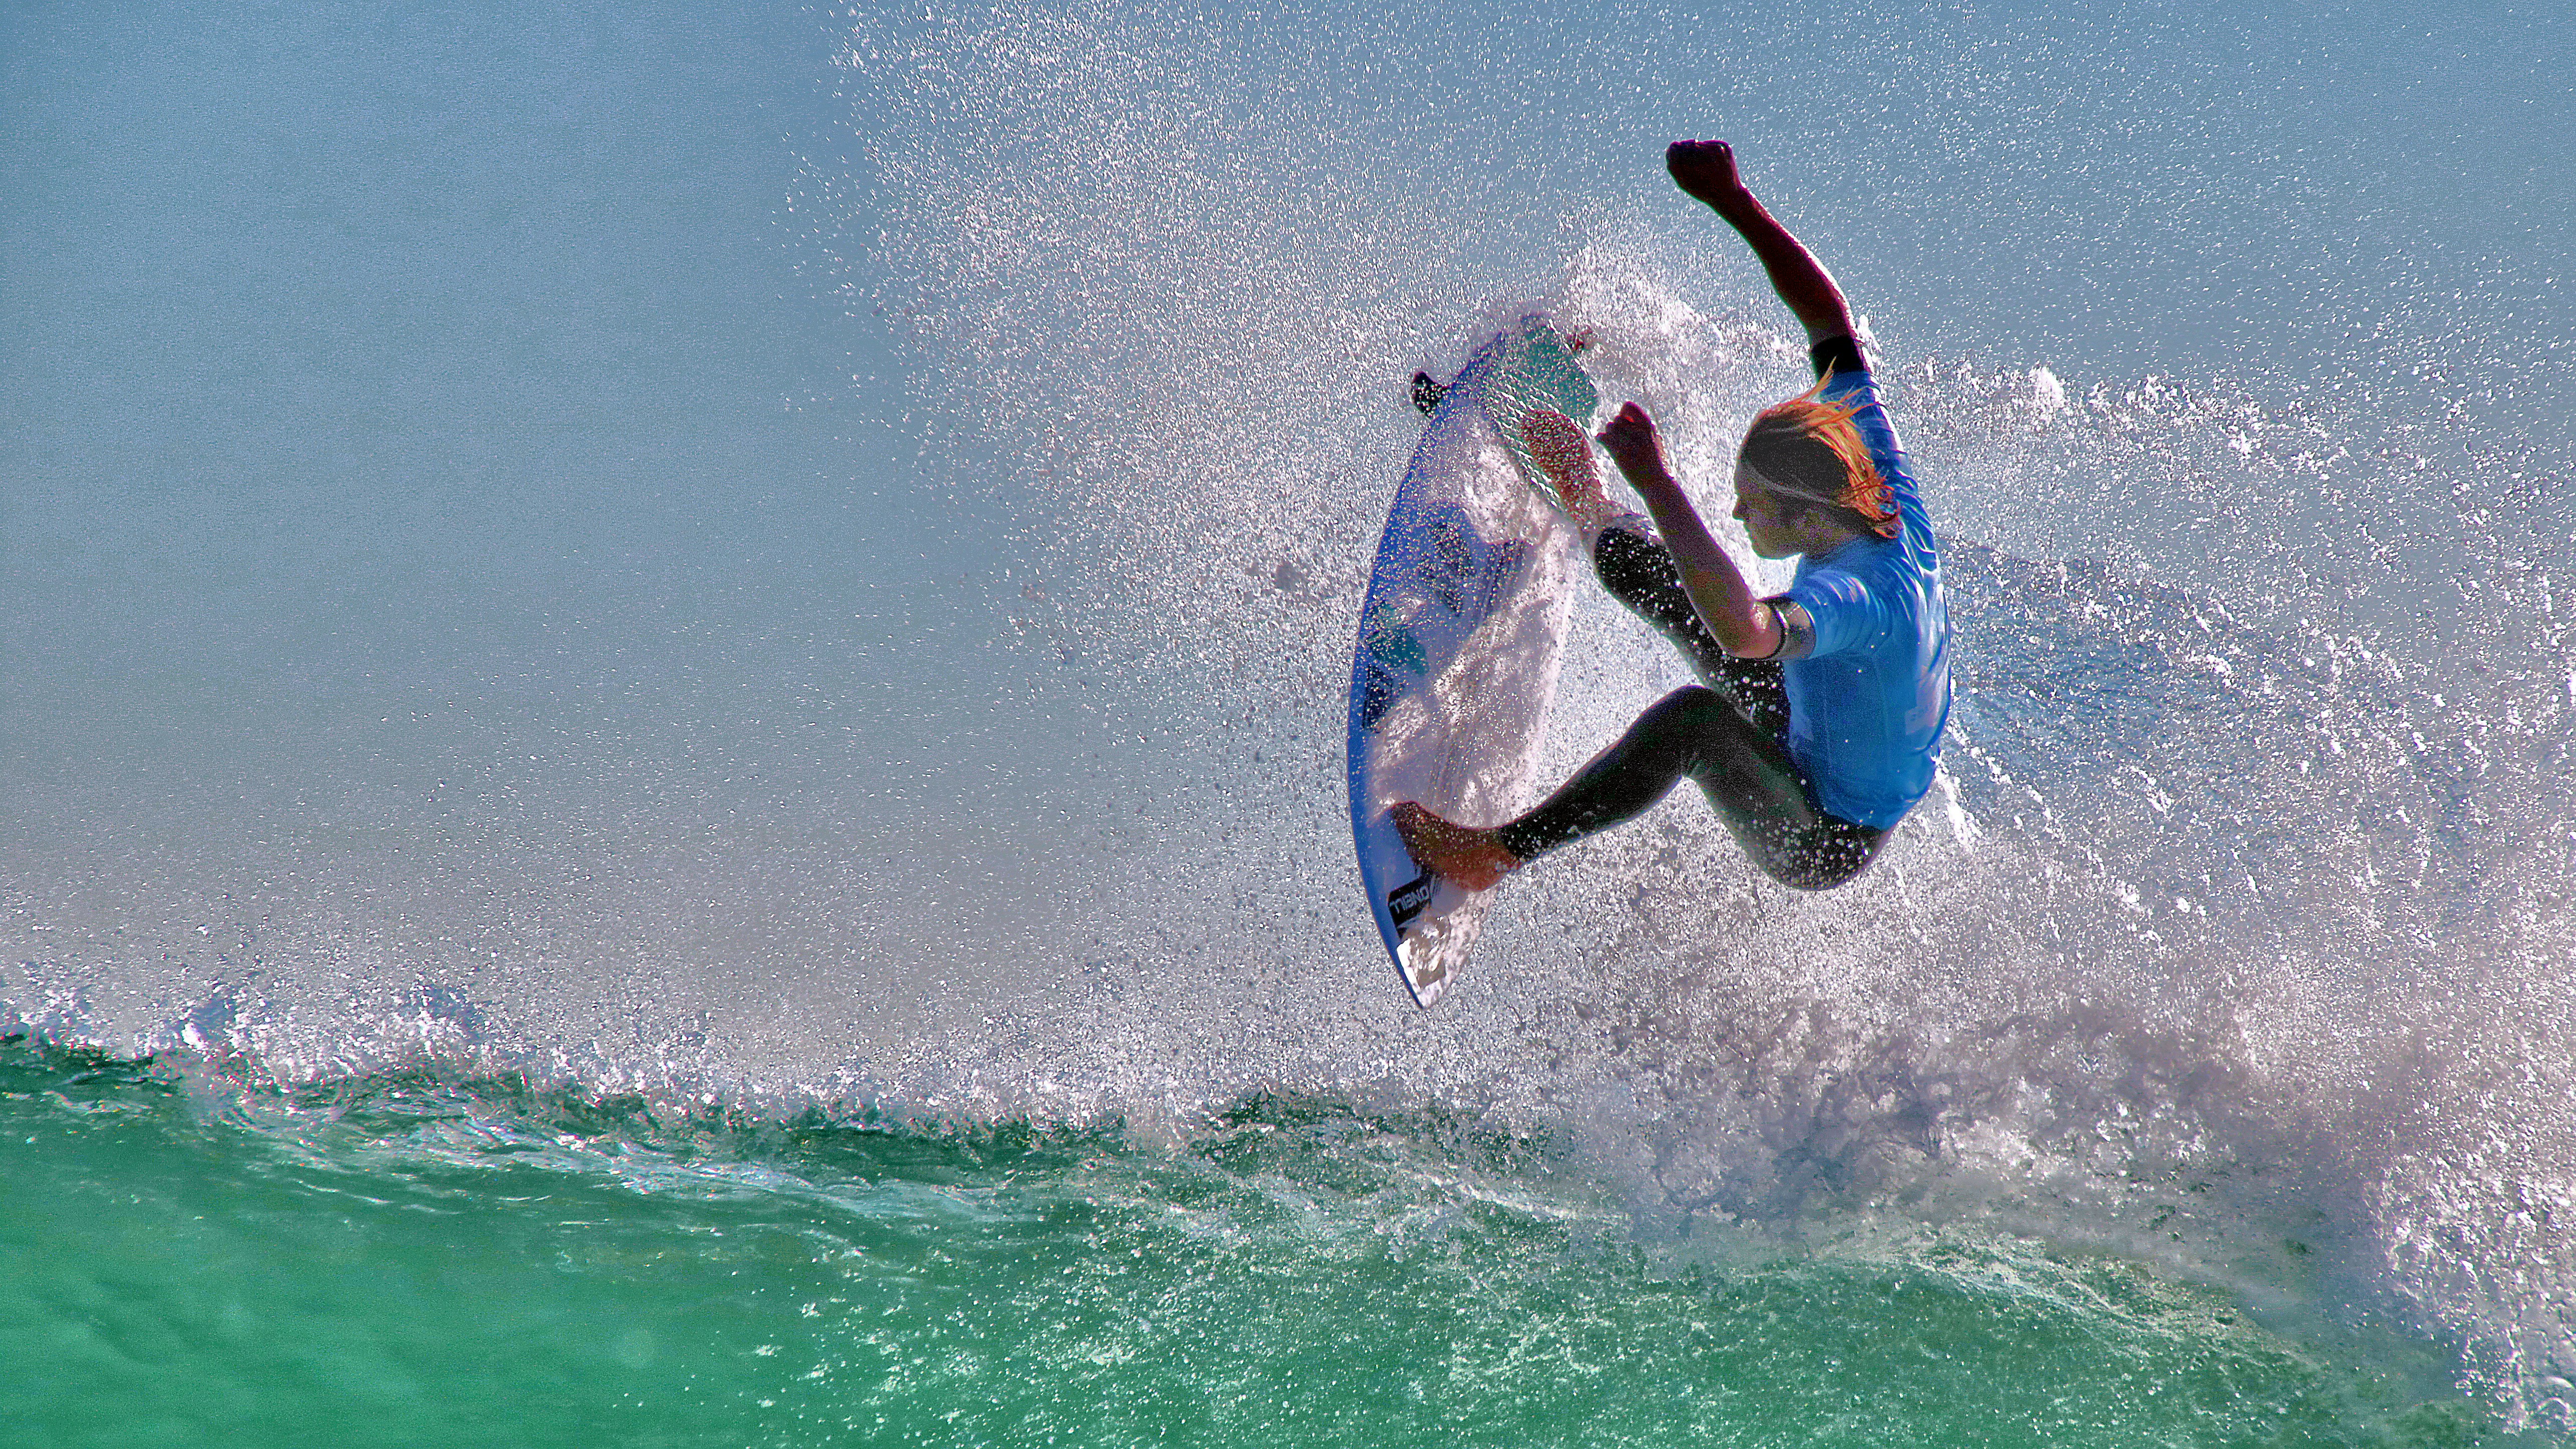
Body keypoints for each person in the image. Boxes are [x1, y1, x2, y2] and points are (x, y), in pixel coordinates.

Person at [1393, 139, 1950, 893]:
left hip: (1822, 830)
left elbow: (1750, 631)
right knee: (1646, 576)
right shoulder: (1863, 454)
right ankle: (1585, 498)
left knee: (1695, 722)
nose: (1737, 509)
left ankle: (1492, 855)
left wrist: (1657, 483)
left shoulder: (1861, 598)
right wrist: (1732, 198)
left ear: (1807, 512)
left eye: (1754, 503)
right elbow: (1827, 315)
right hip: (1806, 722)